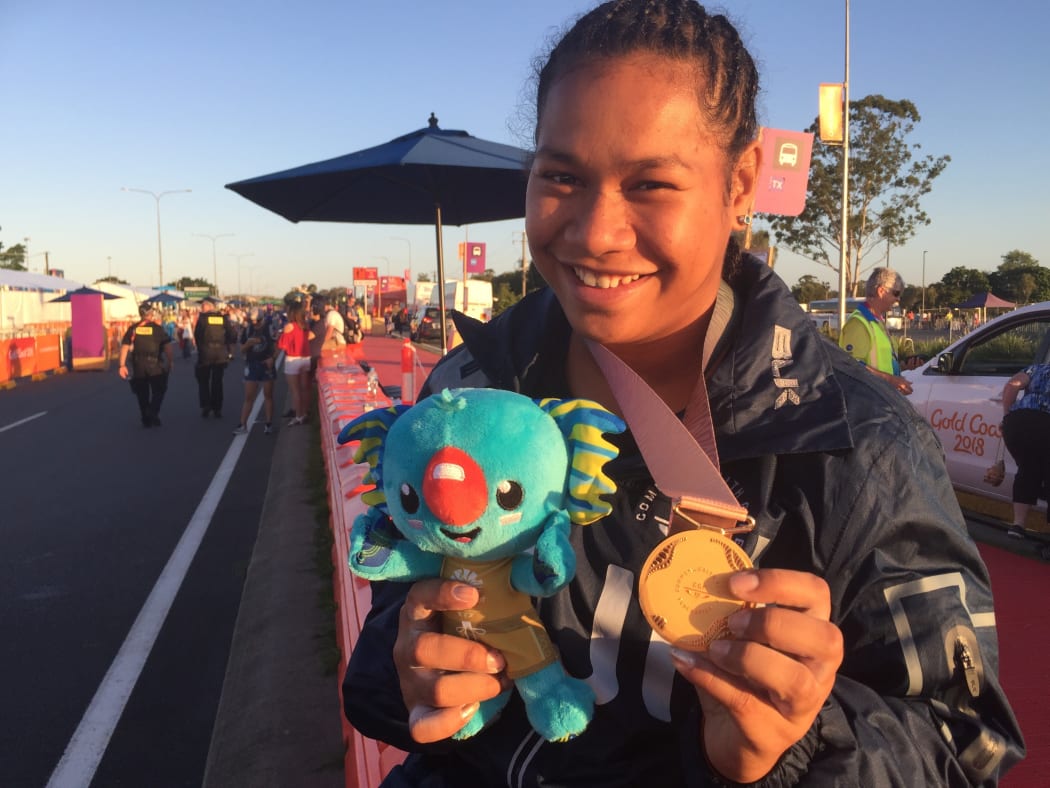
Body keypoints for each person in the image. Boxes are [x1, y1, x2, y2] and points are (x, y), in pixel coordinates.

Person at [340, 2, 1023, 786]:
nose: (596, 232)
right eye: (560, 176)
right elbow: (391, 637)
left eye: (651, 184)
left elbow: (964, 746)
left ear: (739, 186)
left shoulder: (855, 442)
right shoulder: (470, 388)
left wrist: (799, 744)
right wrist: (411, 668)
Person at [839, 267, 913, 395]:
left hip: (883, 400)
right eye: (896, 293)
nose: (898, 299)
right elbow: (850, 366)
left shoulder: (877, 322)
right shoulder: (859, 323)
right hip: (868, 404)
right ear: (881, 291)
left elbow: (882, 364)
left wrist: (903, 368)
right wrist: (891, 380)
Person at [1000, 362, 1050, 539]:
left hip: (1019, 423)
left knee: (1027, 469)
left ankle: (1018, 525)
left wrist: (1006, 417)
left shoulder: (1038, 368)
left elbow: (1012, 386)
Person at [118, 303, 174, 427]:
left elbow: (125, 346)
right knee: (159, 389)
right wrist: (170, 361)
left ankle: (146, 418)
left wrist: (122, 365)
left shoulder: (133, 329)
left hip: (138, 364)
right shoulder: (157, 329)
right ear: (149, 314)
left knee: (142, 393)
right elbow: (167, 346)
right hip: (154, 364)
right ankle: (153, 411)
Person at [233, 307, 278, 435]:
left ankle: (268, 424)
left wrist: (272, 358)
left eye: (257, 321)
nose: (255, 324)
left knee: (268, 395)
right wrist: (249, 344)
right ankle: (243, 424)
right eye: (252, 321)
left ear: (262, 319)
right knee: (249, 396)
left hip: (266, 364)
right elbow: (241, 349)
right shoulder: (247, 329)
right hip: (252, 364)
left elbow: (278, 346)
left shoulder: (269, 328)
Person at [194, 297, 235, 418]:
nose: (201, 308)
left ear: (209, 307)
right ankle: (217, 408)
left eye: (203, 306)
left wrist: (201, 348)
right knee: (217, 381)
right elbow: (232, 334)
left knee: (203, 380)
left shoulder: (202, 319)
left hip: (206, 352)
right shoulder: (223, 318)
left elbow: (197, 336)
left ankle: (206, 405)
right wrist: (226, 346)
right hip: (220, 352)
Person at [277, 299, 313, 426]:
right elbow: (311, 336)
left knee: (295, 391)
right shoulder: (305, 325)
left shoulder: (289, 326)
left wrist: (281, 335)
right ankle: (304, 413)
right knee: (304, 389)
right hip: (305, 358)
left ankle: (298, 416)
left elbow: (282, 345)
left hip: (293, 359)